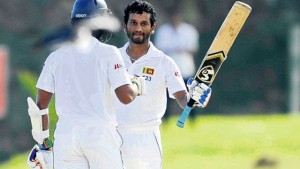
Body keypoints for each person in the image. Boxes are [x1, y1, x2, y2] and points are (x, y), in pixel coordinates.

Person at [26, 0, 146, 169]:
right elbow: (126, 96)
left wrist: (43, 144)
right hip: (100, 136)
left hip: (67, 137)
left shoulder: (56, 56)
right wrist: (135, 86)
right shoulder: (108, 53)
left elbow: (39, 106)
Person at [115, 1, 212, 169]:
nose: (138, 28)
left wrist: (196, 97)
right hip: (113, 136)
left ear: (153, 27)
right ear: (125, 26)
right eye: (134, 23)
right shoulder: (112, 58)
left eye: (144, 23)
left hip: (147, 139)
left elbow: (182, 97)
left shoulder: (164, 62)